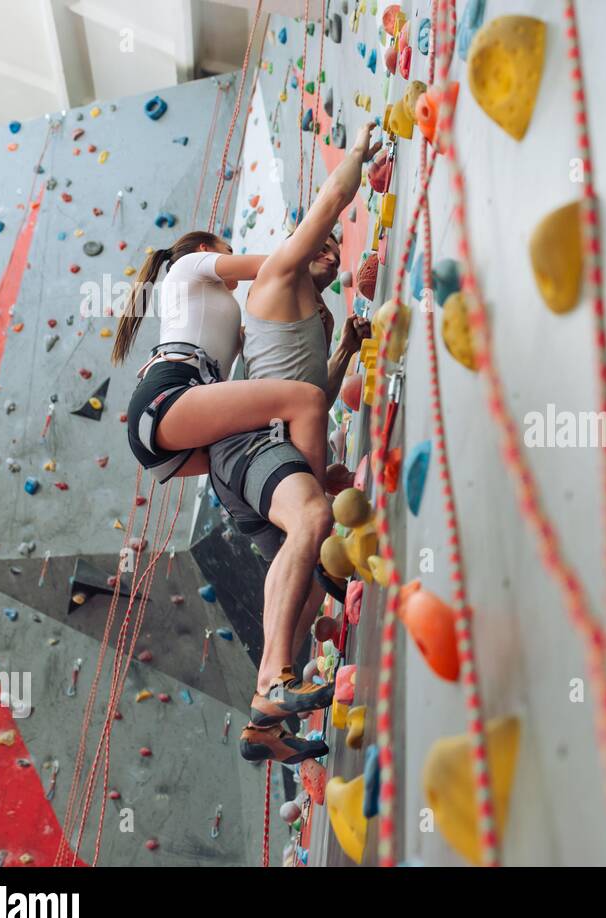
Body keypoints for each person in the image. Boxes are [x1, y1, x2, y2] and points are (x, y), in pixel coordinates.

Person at [207, 122, 381, 764]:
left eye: (338, 252)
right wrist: (361, 151)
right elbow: (330, 201)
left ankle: (264, 727)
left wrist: (345, 354)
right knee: (314, 517)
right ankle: (278, 679)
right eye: (326, 246)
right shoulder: (277, 276)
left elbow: (315, 400)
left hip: (261, 460)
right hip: (252, 446)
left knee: (305, 583)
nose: (333, 256)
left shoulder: (314, 315)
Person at [114, 232, 331, 485]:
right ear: (204, 249)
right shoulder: (189, 264)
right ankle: (317, 499)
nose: (233, 257)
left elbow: (261, 339)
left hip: (168, 421)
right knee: (304, 400)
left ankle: (304, 505)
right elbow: (278, 265)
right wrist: (313, 278)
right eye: (228, 250)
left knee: (277, 440)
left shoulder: (209, 300)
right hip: (169, 395)